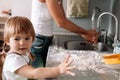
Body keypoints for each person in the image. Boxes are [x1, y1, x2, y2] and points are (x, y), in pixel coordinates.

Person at [2, 16, 76, 80]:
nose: (22, 43)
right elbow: (33, 73)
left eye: (27, 38)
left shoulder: (23, 54)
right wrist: (58, 70)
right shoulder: (14, 59)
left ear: (33, 39)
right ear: (7, 41)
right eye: (17, 39)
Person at [31, 0, 98, 67]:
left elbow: (63, 18)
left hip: (44, 39)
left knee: (43, 72)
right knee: (36, 74)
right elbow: (61, 23)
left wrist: (83, 34)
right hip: (38, 40)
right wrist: (86, 33)